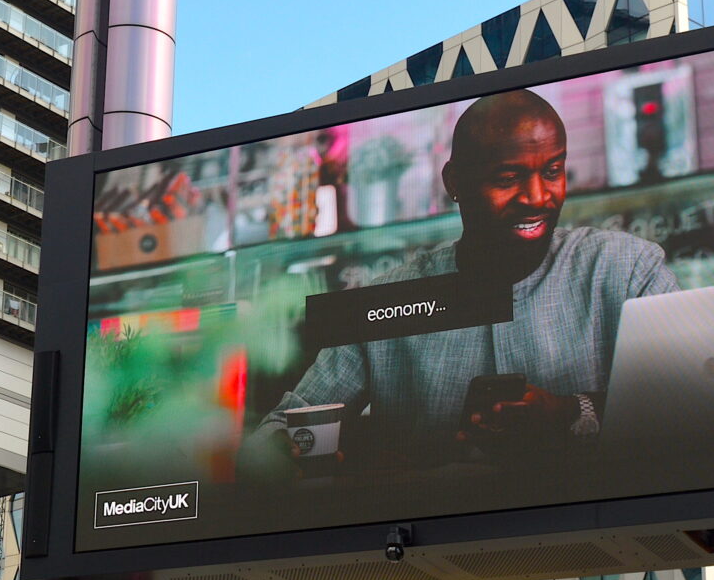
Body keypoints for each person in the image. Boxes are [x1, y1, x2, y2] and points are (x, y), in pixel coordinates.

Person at [257, 87, 677, 469]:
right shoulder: (384, 300)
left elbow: (689, 402)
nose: (536, 196)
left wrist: (571, 413)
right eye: (508, 178)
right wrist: (279, 456)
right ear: (454, 183)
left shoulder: (625, 269)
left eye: (552, 171)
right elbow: (284, 426)